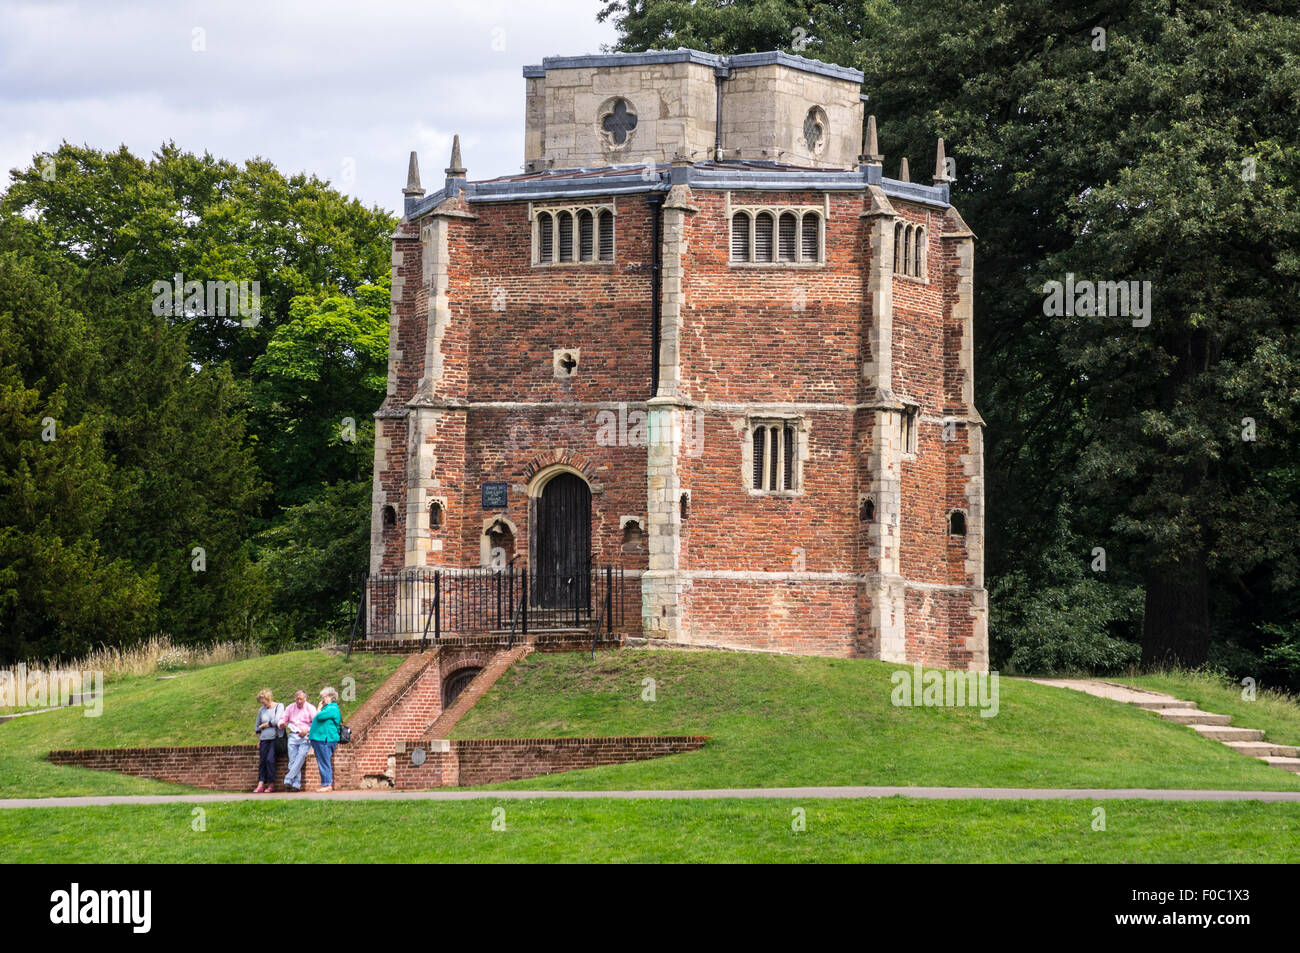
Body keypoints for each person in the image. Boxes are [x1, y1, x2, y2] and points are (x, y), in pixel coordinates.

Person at [276, 689, 316, 792]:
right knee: (293, 760)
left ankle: (288, 778)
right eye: (297, 699)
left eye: (301, 699)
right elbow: (282, 719)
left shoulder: (310, 708)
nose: (299, 701)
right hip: (293, 736)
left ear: (305, 699)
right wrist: (282, 724)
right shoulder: (290, 707)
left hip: (305, 736)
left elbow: (316, 724)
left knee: (301, 756)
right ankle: (296, 784)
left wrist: (307, 730)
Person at [308, 687, 342, 792]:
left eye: (325, 696)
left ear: (331, 697)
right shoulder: (328, 708)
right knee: (323, 761)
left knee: (324, 761)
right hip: (320, 739)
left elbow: (319, 717)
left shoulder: (332, 708)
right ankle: (325, 783)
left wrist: (319, 708)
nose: (323, 699)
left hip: (325, 739)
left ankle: (327, 784)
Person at [252, 689, 284, 793]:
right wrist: (259, 739)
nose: (262, 704)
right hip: (264, 739)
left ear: (268, 698)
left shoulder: (279, 706)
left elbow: (278, 720)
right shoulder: (261, 710)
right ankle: (260, 783)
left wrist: (266, 725)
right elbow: (257, 726)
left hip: (275, 738)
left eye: (263, 701)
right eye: (261, 702)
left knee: (270, 760)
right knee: (262, 761)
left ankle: (271, 784)